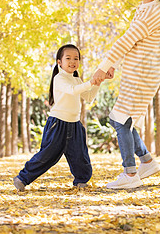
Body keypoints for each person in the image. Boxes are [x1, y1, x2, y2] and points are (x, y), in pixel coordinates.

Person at [92, 0, 160, 189]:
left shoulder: (153, 12)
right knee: (121, 119)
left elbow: (126, 41)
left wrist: (104, 65)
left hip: (142, 74)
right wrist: (114, 66)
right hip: (138, 72)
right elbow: (134, 44)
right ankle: (146, 161)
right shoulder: (146, 8)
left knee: (120, 119)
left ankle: (130, 175)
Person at [13, 44, 101, 191]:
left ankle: (81, 181)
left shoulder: (77, 80)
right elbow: (72, 91)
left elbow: (89, 97)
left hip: (74, 125)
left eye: (76, 58)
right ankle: (22, 178)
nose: (72, 61)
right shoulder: (59, 78)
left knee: (80, 155)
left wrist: (97, 83)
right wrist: (91, 82)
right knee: (47, 156)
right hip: (58, 124)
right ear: (59, 62)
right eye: (68, 58)